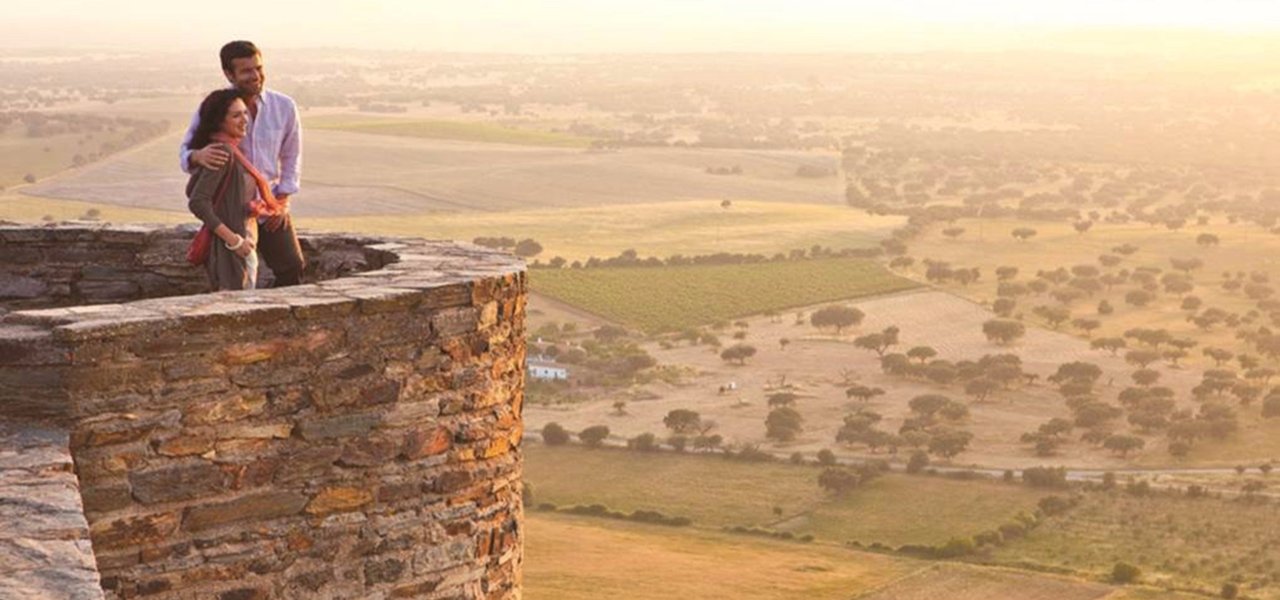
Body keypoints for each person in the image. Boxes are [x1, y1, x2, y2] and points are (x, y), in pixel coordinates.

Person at [180, 40, 305, 286]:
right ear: (229, 74)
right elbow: (186, 152)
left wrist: (282, 200)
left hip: (269, 206)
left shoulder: (284, 107)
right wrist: (198, 155)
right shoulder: (217, 107)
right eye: (247, 71)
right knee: (234, 280)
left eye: (258, 68)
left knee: (292, 267)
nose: (256, 76)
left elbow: (292, 156)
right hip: (231, 211)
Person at [186, 89, 283, 290]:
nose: (244, 120)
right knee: (232, 306)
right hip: (230, 248)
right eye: (236, 115)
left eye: (245, 113)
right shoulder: (222, 153)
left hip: (242, 241)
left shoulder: (231, 150)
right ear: (219, 121)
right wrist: (234, 241)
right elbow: (197, 201)